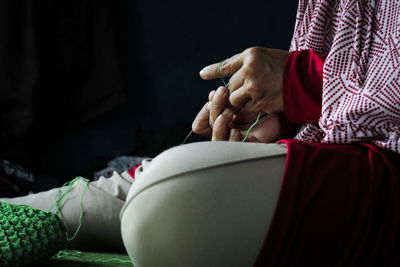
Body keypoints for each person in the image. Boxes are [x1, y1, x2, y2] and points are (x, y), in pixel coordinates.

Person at [2, 0, 400, 266]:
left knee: (166, 201)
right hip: (333, 148)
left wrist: (301, 83)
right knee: (50, 206)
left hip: (387, 182)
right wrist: (287, 121)